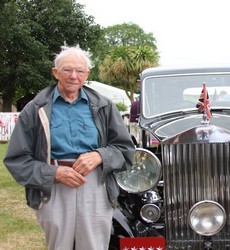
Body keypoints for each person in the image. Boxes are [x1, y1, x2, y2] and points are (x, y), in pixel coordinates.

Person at [3, 45, 135, 250]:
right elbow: (17, 159)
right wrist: (54, 173)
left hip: (96, 185)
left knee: (93, 246)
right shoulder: (35, 109)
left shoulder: (104, 106)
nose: (74, 76)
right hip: (54, 188)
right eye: (67, 70)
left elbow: (125, 151)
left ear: (87, 75)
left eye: (80, 71)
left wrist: (100, 155)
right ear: (55, 72)